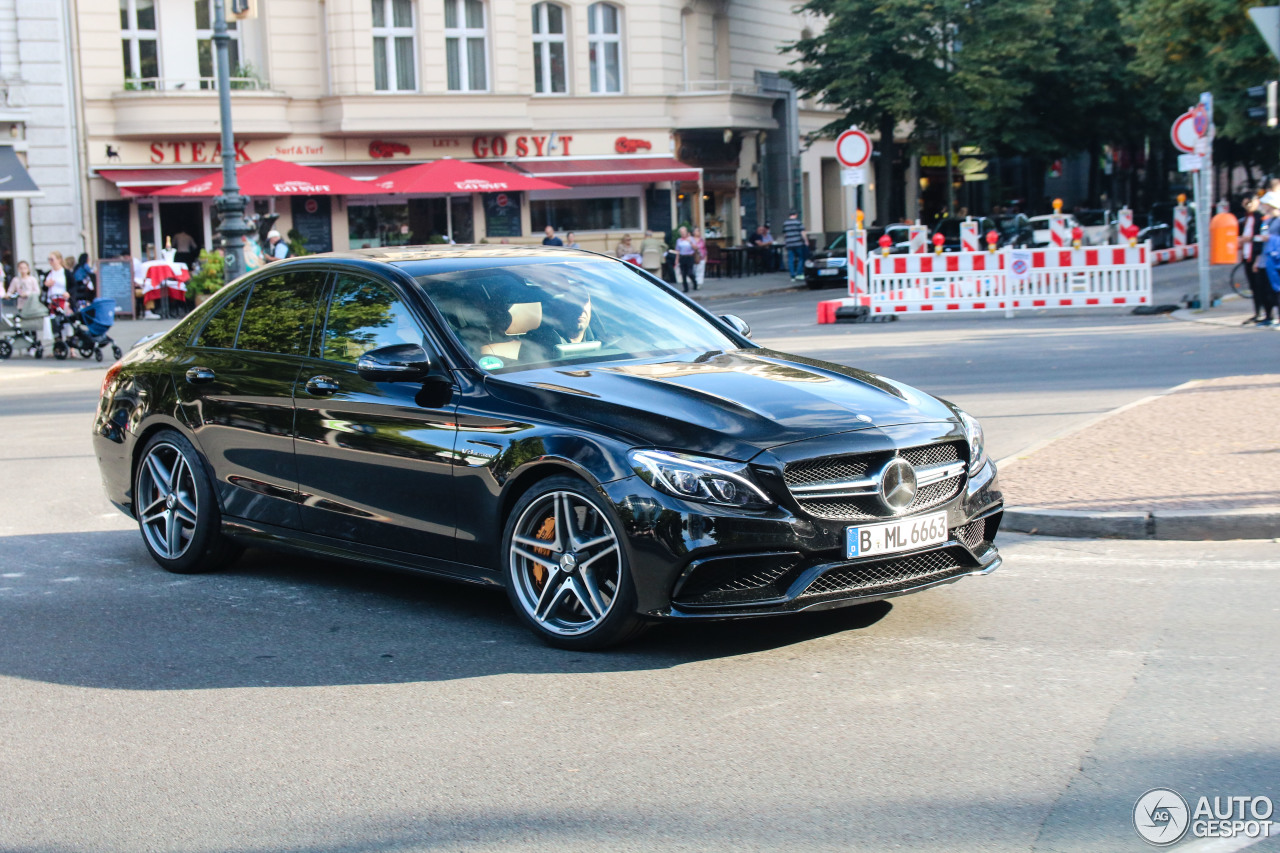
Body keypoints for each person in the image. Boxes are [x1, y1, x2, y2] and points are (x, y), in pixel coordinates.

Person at [1241, 194, 1267, 325]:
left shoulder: (1260, 218)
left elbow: (1263, 238)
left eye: (1248, 204)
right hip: (1247, 255)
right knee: (1253, 286)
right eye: (1245, 205)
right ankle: (1257, 312)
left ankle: (1265, 313)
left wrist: (1250, 239)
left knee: (1260, 286)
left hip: (1256, 255)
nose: (1247, 207)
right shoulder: (1247, 218)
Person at [1260, 191, 1280, 327]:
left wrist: (1270, 239)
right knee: (1273, 289)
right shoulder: (1268, 221)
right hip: (1270, 257)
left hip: (1276, 256)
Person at [783, 209, 808, 281]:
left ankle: (792, 276)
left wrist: (786, 241)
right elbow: (802, 232)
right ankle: (799, 273)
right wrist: (806, 241)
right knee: (801, 258)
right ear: (796, 215)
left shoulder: (785, 223)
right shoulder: (798, 222)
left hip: (789, 243)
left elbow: (785, 234)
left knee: (790, 259)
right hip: (798, 243)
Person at [675, 226, 698, 293]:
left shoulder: (691, 239)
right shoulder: (679, 240)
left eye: (684, 232)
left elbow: (696, 248)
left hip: (690, 257)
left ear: (687, 232)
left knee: (690, 272)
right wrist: (677, 259)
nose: (683, 233)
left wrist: (690, 242)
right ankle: (685, 288)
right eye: (681, 232)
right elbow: (678, 251)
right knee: (683, 273)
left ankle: (694, 282)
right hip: (682, 257)